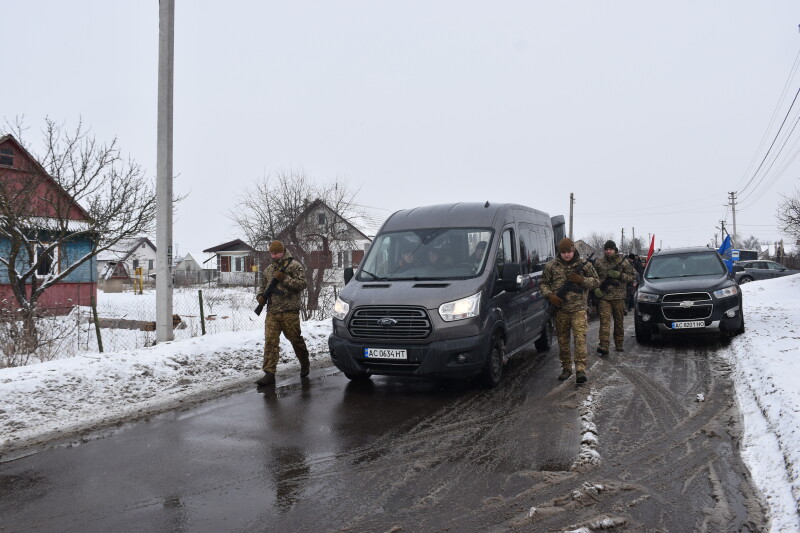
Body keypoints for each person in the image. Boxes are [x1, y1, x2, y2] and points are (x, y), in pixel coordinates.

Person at [540, 238, 599, 383]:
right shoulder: (551, 266)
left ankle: (580, 369)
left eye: (569, 252)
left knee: (580, 339)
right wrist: (550, 296)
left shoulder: (584, 265)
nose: (566, 255)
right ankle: (566, 368)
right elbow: (543, 283)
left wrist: (581, 280)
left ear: (574, 251)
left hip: (579, 309)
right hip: (561, 310)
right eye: (564, 252)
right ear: (560, 252)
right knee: (562, 340)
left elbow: (596, 281)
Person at [255, 240, 310, 386]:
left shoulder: (294, 266)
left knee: (295, 340)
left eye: (276, 253)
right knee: (270, 342)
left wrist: (284, 278)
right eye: (271, 254)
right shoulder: (268, 270)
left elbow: (302, 284)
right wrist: (260, 297)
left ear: (283, 251)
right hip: (272, 312)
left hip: (289, 311)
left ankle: (305, 363)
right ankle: (269, 373)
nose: (273, 256)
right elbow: (262, 287)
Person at [593, 241, 635, 355]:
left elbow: (632, 276)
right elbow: (592, 278)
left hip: (619, 297)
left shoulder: (623, 263)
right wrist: (595, 289)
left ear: (615, 250)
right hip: (604, 297)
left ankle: (619, 343)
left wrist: (620, 275)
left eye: (610, 249)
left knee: (619, 322)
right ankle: (604, 345)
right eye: (606, 249)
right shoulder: (599, 263)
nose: (608, 251)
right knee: (604, 322)